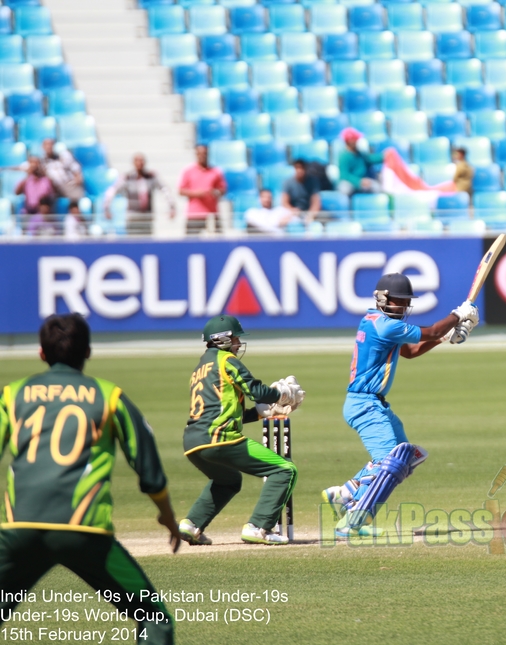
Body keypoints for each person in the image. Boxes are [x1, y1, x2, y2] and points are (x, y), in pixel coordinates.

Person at [0, 314, 179, 645]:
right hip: (85, 532)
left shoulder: (13, 395)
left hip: (18, 530)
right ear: (88, 352)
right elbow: (149, 471)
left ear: (41, 353)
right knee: (154, 619)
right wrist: (168, 519)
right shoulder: (109, 396)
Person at [322, 274, 479, 538]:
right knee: (391, 462)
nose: (403, 307)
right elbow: (431, 331)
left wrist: (443, 339)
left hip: (373, 404)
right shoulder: (385, 325)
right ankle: (353, 521)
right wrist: (457, 315)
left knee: (409, 457)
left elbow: (410, 351)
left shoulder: (377, 322)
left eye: (406, 302)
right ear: (382, 299)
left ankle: (344, 494)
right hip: (365, 404)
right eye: (399, 301)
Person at [180, 315, 304, 546]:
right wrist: (282, 394)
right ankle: (258, 527)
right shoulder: (225, 360)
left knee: (228, 481)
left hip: (193, 443)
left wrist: (260, 414)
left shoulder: (201, 368)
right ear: (223, 340)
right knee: (285, 470)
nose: (238, 344)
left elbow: (225, 411)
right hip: (220, 439)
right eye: (236, 338)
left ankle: (192, 524)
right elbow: (256, 390)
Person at [111, 153, 176, 236]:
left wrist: (172, 206)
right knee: (132, 244)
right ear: (133, 163)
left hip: (147, 217)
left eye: (141, 161)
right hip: (132, 217)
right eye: (137, 161)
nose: (139, 163)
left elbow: (165, 190)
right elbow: (113, 191)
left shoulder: (151, 176)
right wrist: (106, 208)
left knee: (146, 243)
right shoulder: (127, 177)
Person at [178, 145, 226, 235]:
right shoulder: (188, 171)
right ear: (196, 154)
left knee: (216, 242)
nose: (202, 156)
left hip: (211, 213)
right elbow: (181, 190)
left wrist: (215, 192)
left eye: (204, 154)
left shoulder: (216, 171)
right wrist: (196, 193)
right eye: (199, 154)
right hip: (194, 214)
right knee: (191, 243)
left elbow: (222, 189)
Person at [337, 128, 383, 196]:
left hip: (363, 182)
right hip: (351, 183)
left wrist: (384, 156)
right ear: (348, 141)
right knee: (345, 189)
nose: (356, 141)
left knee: (376, 187)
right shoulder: (343, 156)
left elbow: (370, 158)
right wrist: (359, 181)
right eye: (354, 139)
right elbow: (344, 175)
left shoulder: (360, 154)